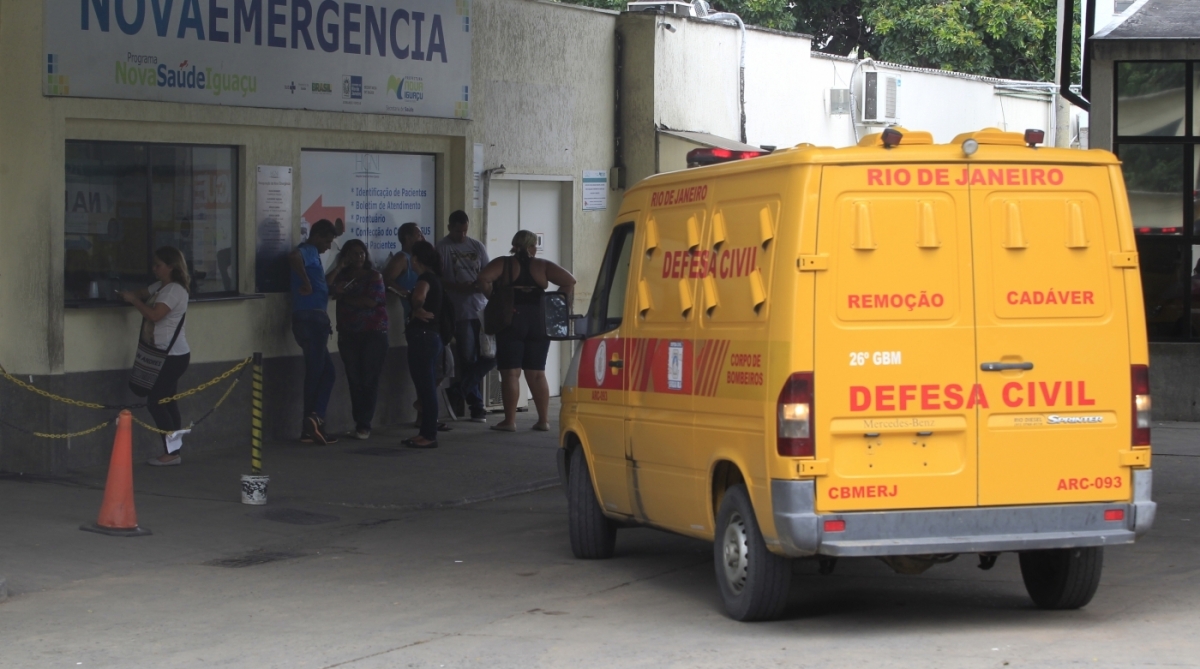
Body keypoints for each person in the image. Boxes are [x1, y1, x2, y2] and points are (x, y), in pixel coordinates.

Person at [475, 230, 576, 432]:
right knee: (537, 372)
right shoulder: (542, 265)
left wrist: (495, 297)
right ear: (531, 247)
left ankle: (510, 421)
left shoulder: (503, 263)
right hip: (538, 319)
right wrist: (555, 303)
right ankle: (543, 420)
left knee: (511, 372)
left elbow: (483, 278)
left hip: (511, 319)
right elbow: (569, 280)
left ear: (515, 245)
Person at [119, 247, 191, 466]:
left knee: (156, 402)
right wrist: (131, 294)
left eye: (158, 265)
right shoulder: (162, 287)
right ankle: (174, 449)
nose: (154, 268)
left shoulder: (173, 291)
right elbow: (145, 292)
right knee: (168, 401)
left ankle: (172, 451)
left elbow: (155, 315)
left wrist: (134, 301)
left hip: (171, 355)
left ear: (171, 267)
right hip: (167, 353)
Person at [436, 210, 495, 423]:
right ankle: (476, 406)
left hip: (480, 308)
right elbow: (439, 279)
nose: (462, 235)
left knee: (489, 356)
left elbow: (489, 272)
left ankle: (458, 391)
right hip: (459, 311)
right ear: (450, 227)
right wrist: (458, 287)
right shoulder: (442, 248)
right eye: (458, 231)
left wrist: (480, 286)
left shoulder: (476, 246)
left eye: (464, 231)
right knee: (468, 357)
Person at [328, 239, 388, 441]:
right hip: (348, 333)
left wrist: (343, 297)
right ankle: (358, 420)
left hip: (373, 333)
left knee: (368, 378)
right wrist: (338, 268)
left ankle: (365, 423)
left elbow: (370, 302)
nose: (359, 257)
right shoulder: (342, 276)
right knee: (354, 378)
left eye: (361, 253)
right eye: (353, 253)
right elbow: (328, 287)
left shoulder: (374, 276)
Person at [288, 219, 340, 445]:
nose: (328, 246)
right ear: (317, 235)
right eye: (327, 241)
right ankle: (312, 421)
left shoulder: (314, 256)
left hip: (313, 318)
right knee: (317, 372)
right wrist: (306, 281)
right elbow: (294, 257)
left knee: (327, 372)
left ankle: (314, 419)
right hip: (311, 318)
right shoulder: (307, 250)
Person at [404, 241, 445, 449]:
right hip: (431, 337)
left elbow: (419, 296)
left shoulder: (425, 278)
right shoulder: (435, 278)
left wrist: (416, 308)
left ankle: (429, 434)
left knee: (426, 388)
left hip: (423, 336)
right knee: (426, 388)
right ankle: (425, 432)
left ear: (417, 260)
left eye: (412, 257)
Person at [382, 222, 425, 319]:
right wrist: (406, 294)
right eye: (419, 235)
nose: (422, 238)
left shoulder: (416, 258)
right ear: (408, 238)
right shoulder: (401, 258)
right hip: (407, 314)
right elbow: (386, 280)